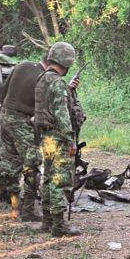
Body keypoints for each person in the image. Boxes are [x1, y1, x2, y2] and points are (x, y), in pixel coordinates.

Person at [34, 41, 81, 237]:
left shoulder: (42, 79)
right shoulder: (57, 83)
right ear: (66, 62)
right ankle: (59, 225)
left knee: (47, 178)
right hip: (59, 138)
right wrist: (71, 141)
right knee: (60, 180)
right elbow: (62, 115)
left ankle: (47, 221)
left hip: (46, 137)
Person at [0, 58, 48, 221]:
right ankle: (28, 209)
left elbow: (3, 88)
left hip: (5, 115)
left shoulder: (22, 65)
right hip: (22, 120)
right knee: (33, 163)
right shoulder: (44, 77)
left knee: (10, 160)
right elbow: (45, 106)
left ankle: (10, 197)